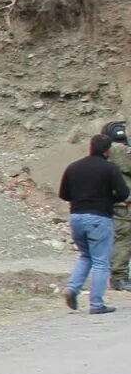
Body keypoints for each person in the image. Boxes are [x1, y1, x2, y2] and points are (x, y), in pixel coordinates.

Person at [57, 132, 130, 315]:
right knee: (100, 262)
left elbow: (64, 194)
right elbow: (122, 194)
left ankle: (72, 288)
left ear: (90, 147)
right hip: (99, 218)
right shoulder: (109, 168)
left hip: (76, 218)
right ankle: (96, 304)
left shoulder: (73, 167)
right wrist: (107, 198)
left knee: (85, 256)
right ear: (108, 152)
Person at [103, 122, 131, 291]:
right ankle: (119, 277)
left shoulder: (107, 150)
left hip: (120, 201)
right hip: (123, 204)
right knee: (124, 237)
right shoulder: (118, 150)